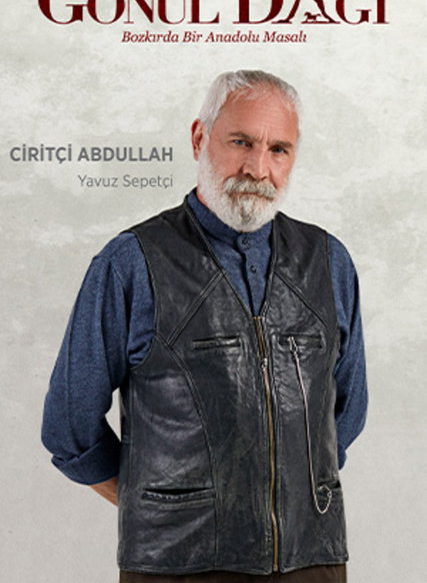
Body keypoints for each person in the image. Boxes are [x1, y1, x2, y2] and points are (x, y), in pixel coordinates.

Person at [42, 70, 368, 583]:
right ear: (199, 137)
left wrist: (287, 492)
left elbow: (345, 414)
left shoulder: (328, 262)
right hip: (178, 565)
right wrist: (163, 506)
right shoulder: (131, 263)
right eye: (241, 142)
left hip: (312, 561)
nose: (258, 168)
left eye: (278, 149)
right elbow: (69, 428)